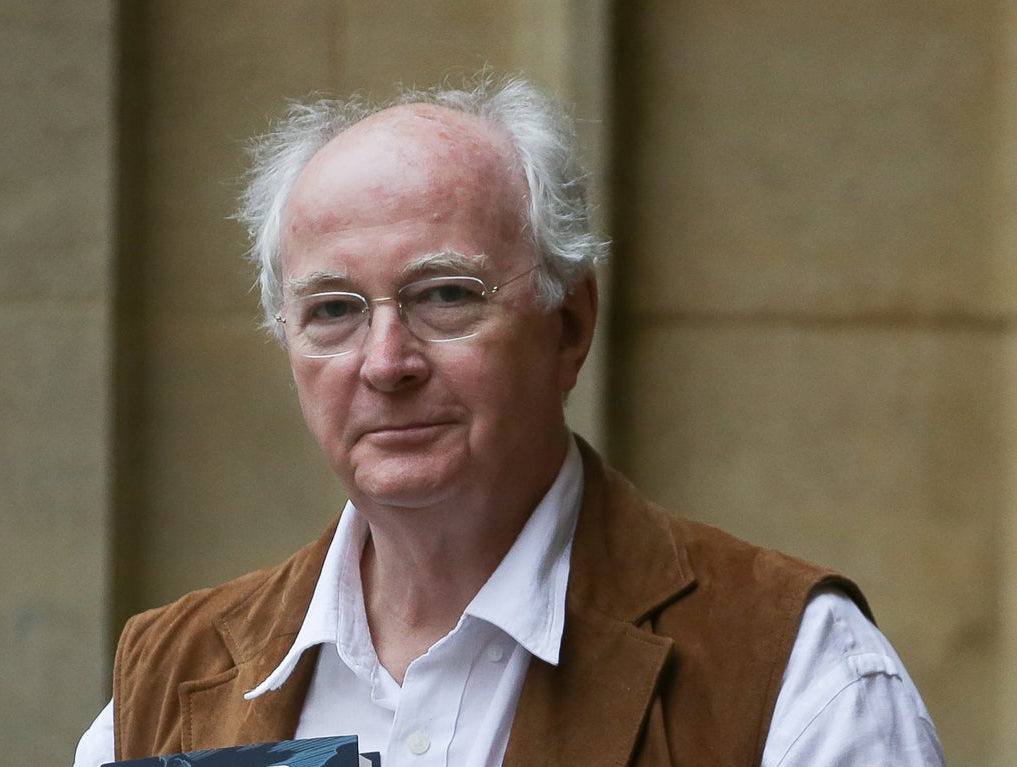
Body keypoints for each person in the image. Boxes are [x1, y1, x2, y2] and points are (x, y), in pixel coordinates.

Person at [74, 72, 945, 767]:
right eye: (333, 309)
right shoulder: (166, 680)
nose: (386, 362)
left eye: (446, 296)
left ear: (569, 325)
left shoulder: (795, 668)